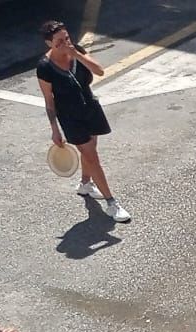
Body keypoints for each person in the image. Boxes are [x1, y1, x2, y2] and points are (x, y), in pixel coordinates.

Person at [37, 21, 129, 223]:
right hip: (70, 116)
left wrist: (76, 54)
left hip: (90, 107)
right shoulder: (45, 67)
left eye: (67, 38)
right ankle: (112, 203)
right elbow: (49, 101)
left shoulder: (76, 50)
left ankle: (85, 184)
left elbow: (99, 71)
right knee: (92, 156)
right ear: (49, 43)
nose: (65, 43)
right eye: (59, 41)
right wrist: (55, 130)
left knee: (91, 150)